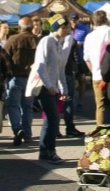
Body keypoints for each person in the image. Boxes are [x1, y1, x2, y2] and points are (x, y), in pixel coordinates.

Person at [34, 14, 73, 164]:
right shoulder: (47, 41)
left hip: (53, 87)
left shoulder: (58, 42)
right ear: (55, 28)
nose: (66, 30)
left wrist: (63, 88)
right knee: (53, 119)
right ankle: (50, 151)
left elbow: (60, 68)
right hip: (46, 87)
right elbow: (40, 66)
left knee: (50, 120)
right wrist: (49, 85)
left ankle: (44, 151)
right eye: (63, 28)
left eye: (67, 28)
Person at [4, 16, 39, 146]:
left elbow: (4, 57)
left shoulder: (13, 39)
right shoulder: (37, 40)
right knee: (28, 108)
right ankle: (28, 134)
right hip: (31, 79)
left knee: (13, 106)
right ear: (32, 27)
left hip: (15, 77)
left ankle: (17, 129)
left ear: (19, 27)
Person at [83, 11, 110, 126]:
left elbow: (86, 58)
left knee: (100, 106)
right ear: (106, 19)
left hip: (96, 75)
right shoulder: (109, 32)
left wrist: (93, 71)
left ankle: (100, 131)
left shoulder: (89, 36)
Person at [61, 28, 85, 138]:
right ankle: (69, 127)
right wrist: (81, 70)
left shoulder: (53, 39)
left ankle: (55, 128)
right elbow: (77, 57)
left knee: (57, 101)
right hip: (68, 71)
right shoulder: (71, 40)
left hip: (56, 73)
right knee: (69, 100)